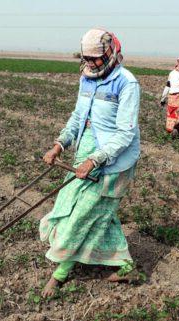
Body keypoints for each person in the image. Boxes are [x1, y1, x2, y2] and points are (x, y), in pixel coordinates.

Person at [40, 28, 141, 297]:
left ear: (109, 53)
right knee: (94, 212)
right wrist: (59, 144)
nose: (90, 63)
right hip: (85, 156)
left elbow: (125, 133)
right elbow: (78, 117)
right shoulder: (86, 79)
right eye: (86, 58)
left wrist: (95, 160)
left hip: (113, 162)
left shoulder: (126, 83)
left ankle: (60, 274)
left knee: (82, 215)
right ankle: (126, 264)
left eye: (95, 59)